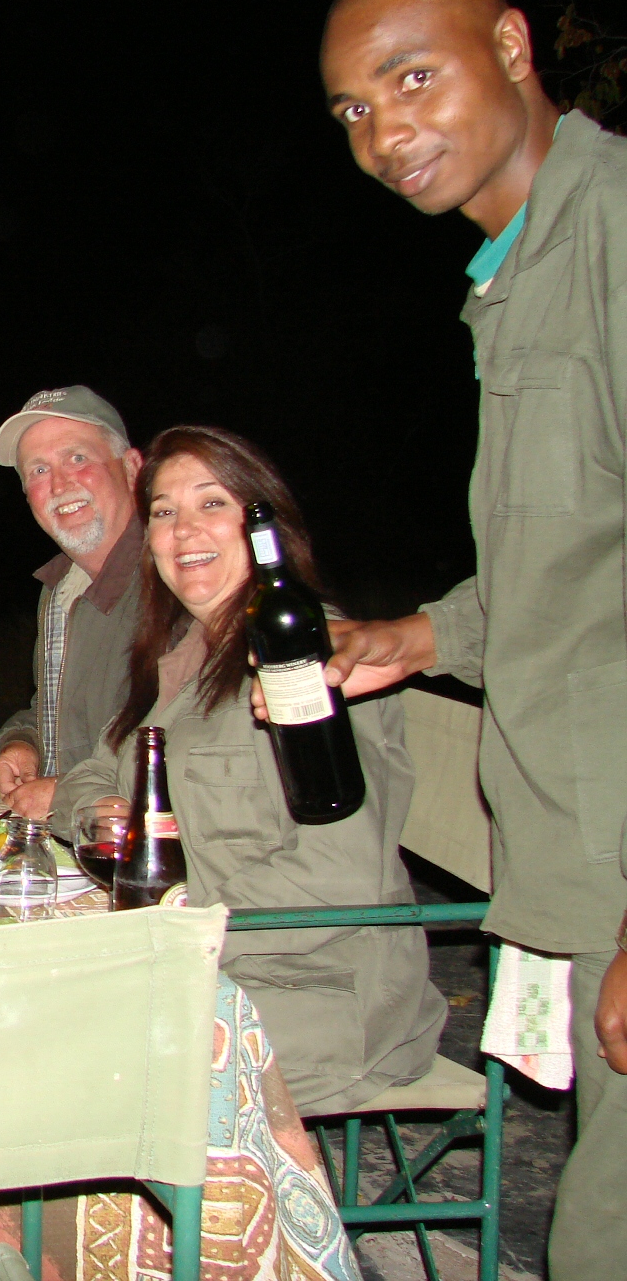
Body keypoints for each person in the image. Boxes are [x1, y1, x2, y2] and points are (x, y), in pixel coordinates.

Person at [318, 0, 627, 1270]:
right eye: (353, 110)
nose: (384, 135)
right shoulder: (514, 278)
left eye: (411, 79)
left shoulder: (611, 237)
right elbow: (575, 562)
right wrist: (421, 635)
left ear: (511, 46)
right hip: (571, 856)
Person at [53, 425, 446, 1115]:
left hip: (313, 989)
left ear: (264, 527)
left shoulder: (312, 657)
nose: (183, 530)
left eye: (212, 503)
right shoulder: (183, 660)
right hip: (200, 957)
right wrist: (98, 815)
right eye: (165, 512)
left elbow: (334, 881)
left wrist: (166, 916)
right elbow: (92, 772)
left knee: (53, 1052)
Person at [0, 387, 145, 821]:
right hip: (72, 842)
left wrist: (68, 796)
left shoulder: (179, 578)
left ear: (132, 468)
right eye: (39, 470)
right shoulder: (60, 588)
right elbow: (60, 713)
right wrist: (23, 743)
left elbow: (197, 748)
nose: (59, 484)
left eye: (77, 458)